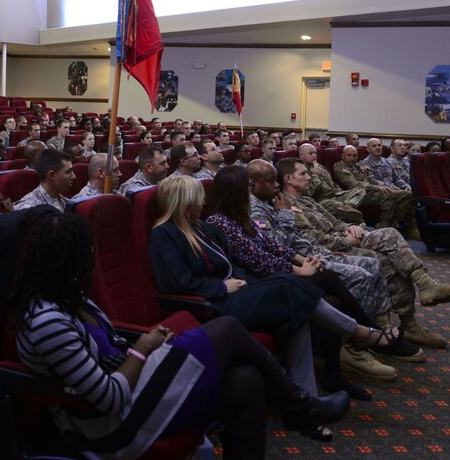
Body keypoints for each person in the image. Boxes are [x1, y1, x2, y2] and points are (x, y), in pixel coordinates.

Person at [12, 213, 350, 459]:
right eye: (86, 255)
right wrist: (142, 351)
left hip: (129, 382)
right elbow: (107, 397)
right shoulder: (48, 320)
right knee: (228, 329)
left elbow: (111, 349)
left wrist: (144, 352)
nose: (92, 262)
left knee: (246, 380)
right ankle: (301, 408)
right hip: (108, 426)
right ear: (64, 263)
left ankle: (299, 408)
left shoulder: (71, 299)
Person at [149, 175, 397, 438]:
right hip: (214, 305)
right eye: (197, 201)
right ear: (184, 203)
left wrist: (248, 281)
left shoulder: (201, 228)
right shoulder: (164, 234)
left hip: (238, 292)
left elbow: (238, 261)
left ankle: (306, 405)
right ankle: (360, 332)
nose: (202, 204)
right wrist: (222, 287)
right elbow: (174, 282)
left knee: (295, 309)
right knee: (290, 288)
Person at [207, 166, 421, 399]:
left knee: (333, 295)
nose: (250, 192)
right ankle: (370, 335)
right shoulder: (221, 221)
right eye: (246, 188)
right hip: (257, 281)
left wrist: (303, 261)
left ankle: (340, 367)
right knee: (330, 280)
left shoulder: (239, 216)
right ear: (234, 192)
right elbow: (257, 260)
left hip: (275, 273)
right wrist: (299, 271)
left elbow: (272, 247)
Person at [276, 158, 450, 346]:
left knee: (390, 235)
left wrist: (348, 227)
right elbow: (312, 238)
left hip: (345, 238)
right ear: (289, 179)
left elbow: (333, 221)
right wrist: (345, 240)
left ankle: (425, 286)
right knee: (384, 260)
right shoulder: (287, 206)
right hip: (330, 248)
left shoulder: (307, 199)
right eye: (303, 173)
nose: (309, 177)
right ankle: (391, 326)